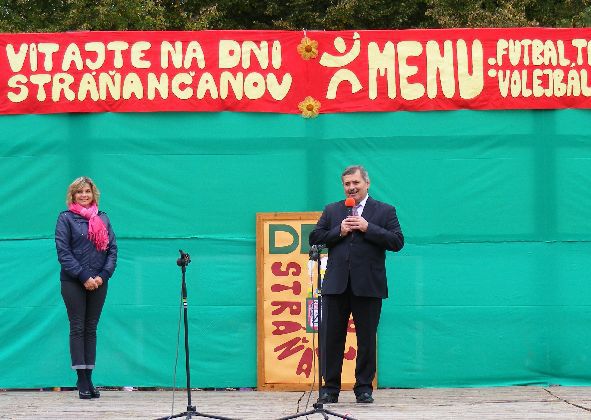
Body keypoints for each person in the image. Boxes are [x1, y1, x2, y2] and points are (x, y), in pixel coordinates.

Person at [309, 165, 404, 404]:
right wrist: (338, 231)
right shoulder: (332, 210)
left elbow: (397, 241)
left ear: (367, 183)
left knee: (366, 339)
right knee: (331, 339)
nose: (351, 188)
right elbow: (315, 238)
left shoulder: (385, 211)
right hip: (336, 285)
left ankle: (363, 388)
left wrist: (368, 227)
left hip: (369, 285)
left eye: (356, 183)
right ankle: (330, 388)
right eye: (347, 184)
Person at [55, 177, 117, 399]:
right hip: (73, 282)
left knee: (91, 329)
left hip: (99, 281)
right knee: (78, 328)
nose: (84, 195)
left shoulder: (103, 218)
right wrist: (83, 276)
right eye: (79, 192)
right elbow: (63, 253)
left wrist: (102, 276)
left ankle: (89, 378)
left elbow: (112, 250)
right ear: (73, 195)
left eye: (87, 191)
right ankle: (81, 380)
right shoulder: (65, 218)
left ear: (93, 194)